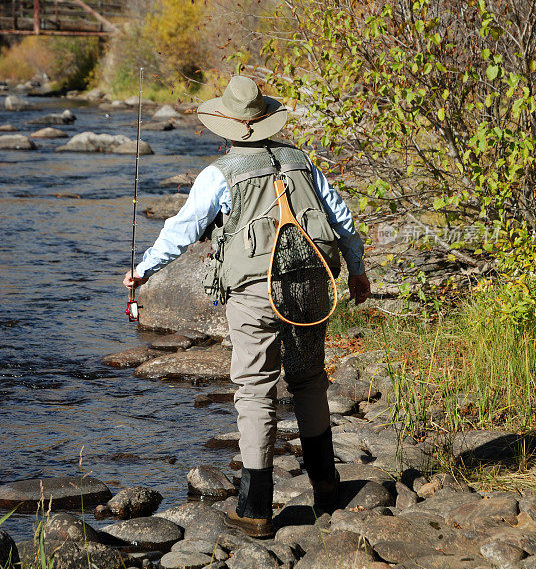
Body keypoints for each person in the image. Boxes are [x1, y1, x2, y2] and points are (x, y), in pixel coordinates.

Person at [123, 75, 371, 538]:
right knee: (310, 380)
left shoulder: (220, 174)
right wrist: (356, 270)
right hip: (312, 282)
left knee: (256, 388)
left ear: (227, 127)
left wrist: (144, 270)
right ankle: (327, 487)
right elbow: (342, 218)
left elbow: (183, 229)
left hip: (255, 290)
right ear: (265, 121)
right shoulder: (301, 161)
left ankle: (255, 509)